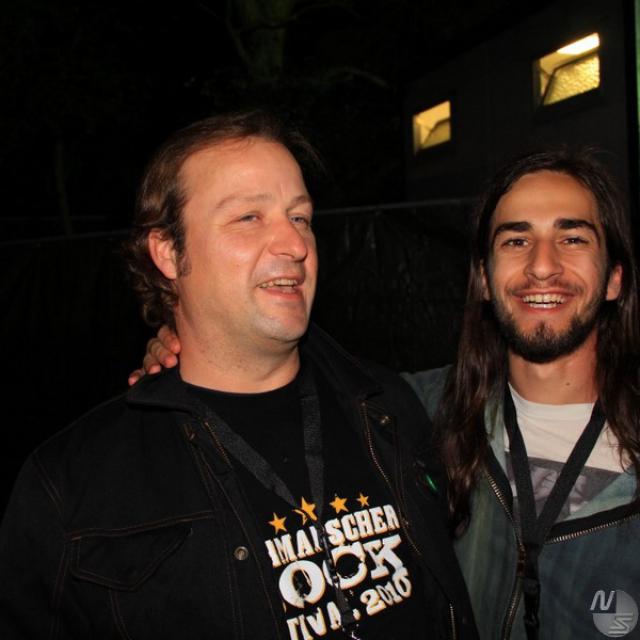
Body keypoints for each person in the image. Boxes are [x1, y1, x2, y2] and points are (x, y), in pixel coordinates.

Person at [0, 110, 477, 640]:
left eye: (300, 217)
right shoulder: (71, 487)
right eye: (249, 217)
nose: (295, 244)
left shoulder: (390, 408)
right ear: (169, 252)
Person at [139, 148, 640, 639]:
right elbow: (260, 376)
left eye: (572, 238)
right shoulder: (407, 412)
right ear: (485, 279)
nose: (542, 266)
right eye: (516, 240)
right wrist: (190, 340)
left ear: (614, 278)